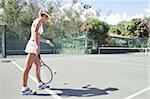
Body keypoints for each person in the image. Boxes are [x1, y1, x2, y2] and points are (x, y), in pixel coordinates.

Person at [21, 10, 54, 95]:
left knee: (38, 65)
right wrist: (37, 46)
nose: (47, 19)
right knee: (27, 67)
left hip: (34, 44)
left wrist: (46, 41)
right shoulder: (39, 21)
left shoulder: (38, 21)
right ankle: (24, 88)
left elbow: (38, 36)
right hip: (33, 46)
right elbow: (35, 33)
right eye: (47, 17)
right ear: (44, 16)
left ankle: (40, 83)